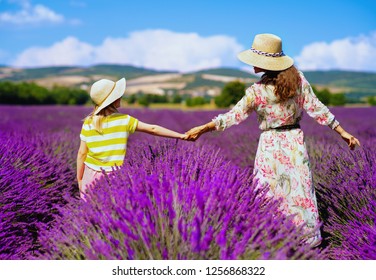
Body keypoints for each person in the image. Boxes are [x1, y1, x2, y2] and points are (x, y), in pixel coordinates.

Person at [185, 33, 360, 246]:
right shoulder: (298, 81)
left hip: (269, 145)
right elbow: (317, 108)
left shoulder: (256, 92)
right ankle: (307, 240)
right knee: (299, 191)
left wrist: (203, 129)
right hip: (294, 142)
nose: (252, 65)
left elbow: (231, 117)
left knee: (269, 193)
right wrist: (342, 131)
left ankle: (271, 238)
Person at [77, 78, 187, 200]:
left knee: (90, 211)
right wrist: (181, 136)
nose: (121, 97)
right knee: (112, 210)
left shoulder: (88, 122)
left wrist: (80, 178)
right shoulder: (124, 120)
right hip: (113, 175)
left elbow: (82, 153)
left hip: (89, 174)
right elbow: (153, 129)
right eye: (118, 95)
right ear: (113, 100)